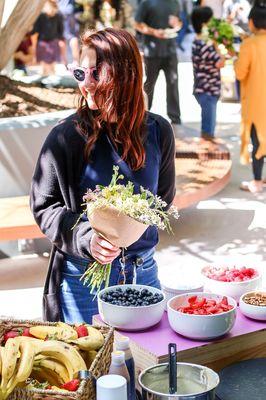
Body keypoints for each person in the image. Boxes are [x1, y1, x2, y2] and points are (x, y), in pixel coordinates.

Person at [30, 28, 176, 323]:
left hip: (142, 270)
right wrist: (86, 237)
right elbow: (44, 206)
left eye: (97, 74)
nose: (87, 85)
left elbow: (163, 198)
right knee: (91, 367)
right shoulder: (66, 137)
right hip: (83, 278)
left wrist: (131, 226)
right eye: (81, 74)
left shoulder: (158, 132)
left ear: (125, 76)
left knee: (147, 364)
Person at [135, 0, 182, 128]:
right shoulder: (146, 3)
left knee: (173, 83)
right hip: (152, 52)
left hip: (170, 50)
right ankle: (143, 114)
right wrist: (153, 32)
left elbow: (180, 22)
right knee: (149, 84)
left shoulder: (175, 3)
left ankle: (175, 118)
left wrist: (176, 24)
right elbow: (137, 24)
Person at [234, 3, 266, 193]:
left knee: (257, 140)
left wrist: (235, 59)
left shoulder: (249, 44)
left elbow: (239, 73)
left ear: (252, 22)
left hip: (256, 102)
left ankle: (256, 181)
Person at [191, 6, 225, 140]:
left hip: (204, 89)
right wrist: (219, 47)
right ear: (204, 24)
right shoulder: (205, 44)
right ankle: (207, 153)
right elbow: (220, 63)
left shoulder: (197, 41)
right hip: (208, 90)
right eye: (211, 21)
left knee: (208, 128)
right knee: (208, 131)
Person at [32, 0, 64, 76]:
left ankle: (52, 72)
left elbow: (61, 29)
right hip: (42, 41)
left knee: (53, 61)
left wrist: (60, 39)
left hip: (53, 40)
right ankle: (44, 72)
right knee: (43, 61)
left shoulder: (58, 16)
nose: (52, 11)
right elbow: (36, 29)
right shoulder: (41, 16)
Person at [57, 0, 80, 65]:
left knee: (62, 38)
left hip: (60, 11)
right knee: (72, 37)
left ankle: (65, 62)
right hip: (69, 11)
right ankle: (76, 61)